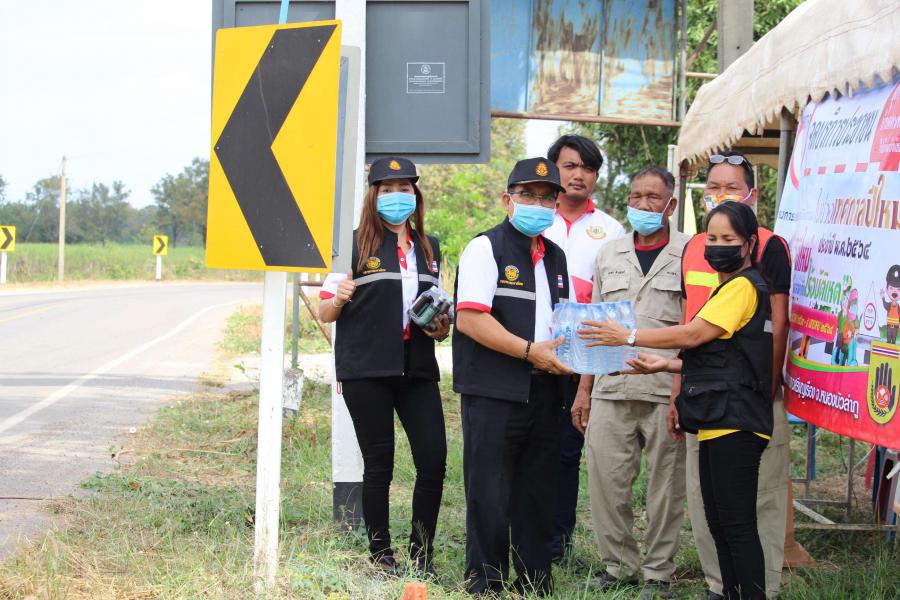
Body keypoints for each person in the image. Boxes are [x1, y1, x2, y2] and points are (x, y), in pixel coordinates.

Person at [580, 201, 774, 599]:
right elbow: (725, 359)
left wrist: (629, 336)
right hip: (717, 420)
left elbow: (691, 335)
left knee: (736, 525)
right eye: (712, 237)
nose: (718, 246)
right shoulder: (727, 288)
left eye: (729, 239)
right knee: (720, 523)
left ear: (750, 244)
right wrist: (665, 365)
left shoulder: (743, 286)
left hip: (736, 422)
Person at [318, 157, 450, 577]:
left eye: (404, 189)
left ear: (416, 195)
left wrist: (441, 328)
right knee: (380, 464)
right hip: (367, 371)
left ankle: (422, 554)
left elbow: (438, 318)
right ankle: (381, 554)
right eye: (387, 189)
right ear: (373, 196)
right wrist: (339, 297)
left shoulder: (429, 248)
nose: (397, 197)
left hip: (418, 369)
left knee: (433, 460)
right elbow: (325, 312)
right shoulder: (351, 245)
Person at [453, 157, 573, 596]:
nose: (537, 204)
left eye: (547, 198)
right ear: (508, 200)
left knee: (538, 493)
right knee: (489, 492)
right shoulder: (485, 248)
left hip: (545, 390)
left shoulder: (556, 257)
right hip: (494, 392)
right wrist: (528, 351)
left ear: (557, 205)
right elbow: (471, 319)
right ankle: (486, 582)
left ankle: (534, 582)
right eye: (528, 196)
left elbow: (565, 322)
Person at [676, 152, 792, 599]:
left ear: (752, 194)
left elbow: (776, 326)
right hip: (705, 392)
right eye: (713, 187)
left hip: (747, 396)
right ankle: (721, 586)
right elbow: (690, 323)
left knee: (754, 504)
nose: (720, 194)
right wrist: (678, 389)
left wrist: (762, 389)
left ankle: (762, 589)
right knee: (712, 506)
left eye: (731, 187)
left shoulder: (768, 249)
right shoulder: (694, 247)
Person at [570, 167, 688, 599]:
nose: (642, 205)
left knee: (666, 488)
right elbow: (594, 324)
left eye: (652, 198)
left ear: (671, 205)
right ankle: (618, 567)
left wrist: (681, 393)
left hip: (664, 389)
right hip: (611, 386)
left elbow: (694, 328)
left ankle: (658, 573)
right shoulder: (609, 253)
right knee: (606, 481)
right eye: (635, 197)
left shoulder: (690, 253)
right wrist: (584, 390)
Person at [542, 134, 625, 561]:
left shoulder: (610, 230)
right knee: (527, 445)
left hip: (581, 358)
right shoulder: (536, 217)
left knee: (566, 451)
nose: (579, 175)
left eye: (588, 168)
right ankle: (521, 532)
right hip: (533, 350)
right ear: (553, 169)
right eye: (570, 166)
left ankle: (557, 543)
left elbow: (612, 301)